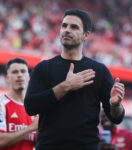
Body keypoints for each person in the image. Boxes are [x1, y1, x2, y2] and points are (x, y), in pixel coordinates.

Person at [24, 9, 125, 150]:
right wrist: (65, 86)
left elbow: (116, 118)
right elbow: (30, 106)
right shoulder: (43, 68)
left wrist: (115, 105)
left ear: (86, 35)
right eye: (64, 25)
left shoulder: (99, 71)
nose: (67, 30)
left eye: (74, 27)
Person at [0, 58, 38, 150]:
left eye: (23, 71)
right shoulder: (2, 104)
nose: (20, 75)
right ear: (7, 78)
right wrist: (31, 128)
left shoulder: (36, 108)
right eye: (15, 72)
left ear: (28, 76)